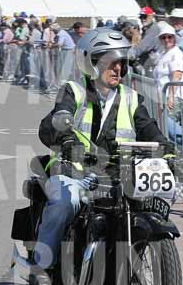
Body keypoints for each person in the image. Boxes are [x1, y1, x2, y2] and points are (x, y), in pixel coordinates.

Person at [33, 28, 175, 270]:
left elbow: (150, 129)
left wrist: (169, 154)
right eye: (111, 62)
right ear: (93, 62)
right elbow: (59, 118)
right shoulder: (74, 91)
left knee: (149, 202)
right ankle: (43, 267)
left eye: (122, 62)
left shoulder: (131, 98)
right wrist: (67, 141)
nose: (118, 69)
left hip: (118, 176)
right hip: (73, 172)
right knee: (64, 203)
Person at [151, 21, 183, 145]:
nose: (167, 39)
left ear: (174, 38)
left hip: (174, 97)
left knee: (171, 129)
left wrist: (171, 96)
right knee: (167, 128)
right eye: (163, 37)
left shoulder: (176, 54)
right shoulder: (164, 54)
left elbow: (176, 76)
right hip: (165, 97)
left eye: (169, 36)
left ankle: (182, 152)